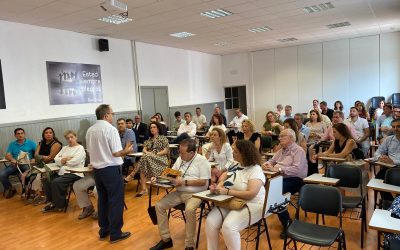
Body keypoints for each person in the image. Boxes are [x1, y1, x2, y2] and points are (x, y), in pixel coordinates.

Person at [150, 139, 211, 250]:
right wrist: (158, 178)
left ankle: (189, 245)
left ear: (192, 153)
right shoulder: (180, 159)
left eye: (182, 153)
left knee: (189, 210)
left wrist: (184, 182)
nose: (180, 155)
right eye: (179, 152)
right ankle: (166, 240)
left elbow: (204, 182)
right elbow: (170, 174)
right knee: (159, 206)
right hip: (179, 192)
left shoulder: (202, 161)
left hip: (196, 194)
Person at [205, 140, 265, 250]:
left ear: (244, 154)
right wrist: (218, 186)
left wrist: (227, 192)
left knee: (229, 227)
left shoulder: (255, 170)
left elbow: (251, 194)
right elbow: (225, 176)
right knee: (210, 222)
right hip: (232, 201)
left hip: (252, 204)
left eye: (235, 151)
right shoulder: (236, 164)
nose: (232, 153)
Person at [86, 104, 133, 243]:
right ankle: (115, 233)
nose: (113, 116)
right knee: (115, 201)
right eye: (112, 113)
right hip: (111, 169)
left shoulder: (90, 130)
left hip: (97, 170)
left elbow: (89, 151)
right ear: (106, 115)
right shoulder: (110, 129)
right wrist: (127, 151)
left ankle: (104, 230)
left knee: (103, 199)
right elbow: (116, 152)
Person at [262, 128, 307, 238]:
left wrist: (279, 170)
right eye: (280, 136)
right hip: (279, 178)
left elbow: (297, 169)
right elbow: (271, 161)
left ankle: (287, 223)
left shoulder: (298, 150)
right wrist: (266, 164)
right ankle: (256, 218)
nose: (279, 138)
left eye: (282, 136)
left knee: (276, 193)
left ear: (291, 138)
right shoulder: (281, 150)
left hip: (295, 179)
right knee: (259, 188)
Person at [41, 130, 86, 213]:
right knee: (46, 179)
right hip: (63, 171)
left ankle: (59, 204)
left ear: (76, 137)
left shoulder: (80, 148)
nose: (70, 139)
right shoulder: (65, 148)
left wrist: (63, 160)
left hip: (75, 172)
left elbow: (75, 162)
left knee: (56, 182)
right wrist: (64, 160)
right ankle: (52, 202)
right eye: (67, 138)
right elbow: (56, 159)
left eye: (72, 137)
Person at [126, 121, 169, 197]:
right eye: (151, 127)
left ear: (158, 129)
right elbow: (144, 149)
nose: (152, 129)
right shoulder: (149, 139)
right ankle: (144, 189)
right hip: (150, 159)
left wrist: (154, 154)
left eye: (154, 127)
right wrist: (148, 153)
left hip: (161, 160)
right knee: (143, 164)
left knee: (145, 157)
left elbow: (165, 151)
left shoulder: (163, 138)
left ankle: (132, 174)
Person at [0, 128, 36, 199]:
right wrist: (12, 159)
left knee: (25, 175)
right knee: (2, 174)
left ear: (24, 134)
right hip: (15, 165)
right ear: (15, 135)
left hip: (27, 164)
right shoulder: (12, 144)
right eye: (18, 134)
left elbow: (37, 153)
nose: (20, 135)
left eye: (22, 133)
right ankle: (11, 189)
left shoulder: (31, 143)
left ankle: (27, 191)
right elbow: (7, 155)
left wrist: (34, 158)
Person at [29, 127, 62, 203]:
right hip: (41, 164)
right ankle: (40, 195)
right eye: (46, 133)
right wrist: (43, 157)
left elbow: (50, 158)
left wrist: (40, 158)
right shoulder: (40, 143)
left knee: (39, 177)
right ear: (43, 135)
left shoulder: (56, 144)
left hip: (53, 165)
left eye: (50, 133)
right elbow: (35, 155)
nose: (48, 134)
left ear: (53, 134)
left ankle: (45, 197)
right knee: (29, 175)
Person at [373, 118, 400, 201]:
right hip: (388, 167)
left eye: (398, 126)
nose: (395, 129)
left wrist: (393, 162)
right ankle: (389, 202)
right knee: (378, 179)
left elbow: (393, 162)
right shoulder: (389, 139)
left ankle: (396, 202)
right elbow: (377, 153)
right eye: (393, 127)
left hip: (398, 167)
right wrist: (381, 158)